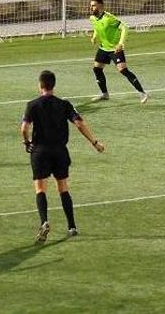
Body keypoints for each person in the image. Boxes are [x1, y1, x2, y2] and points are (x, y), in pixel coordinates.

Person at [20, 70, 105, 243]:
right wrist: (94, 143)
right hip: (59, 151)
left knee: (40, 188)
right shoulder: (64, 104)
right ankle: (72, 226)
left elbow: (24, 128)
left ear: (40, 85)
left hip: (40, 152)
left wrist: (27, 141)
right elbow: (79, 123)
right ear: (54, 85)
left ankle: (44, 222)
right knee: (63, 188)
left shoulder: (32, 105)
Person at [88, 0, 149, 103]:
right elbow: (96, 27)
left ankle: (142, 93)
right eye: (91, 5)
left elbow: (125, 27)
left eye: (93, 5)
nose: (91, 7)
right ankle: (105, 94)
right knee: (97, 69)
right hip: (103, 48)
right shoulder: (93, 18)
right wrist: (94, 36)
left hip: (115, 48)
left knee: (123, 70)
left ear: (100, 6)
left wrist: (120, 44)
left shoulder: (109, 18)